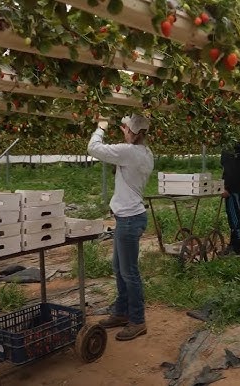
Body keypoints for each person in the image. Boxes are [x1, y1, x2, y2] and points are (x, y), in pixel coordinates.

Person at [87, 114, 154, 341]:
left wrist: (101, 128)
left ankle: (137, 320)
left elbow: (93, 148)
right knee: (119, 268)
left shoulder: (128, 152)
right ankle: (122, 312)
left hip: (129, 219)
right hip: (129, 217)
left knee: (129, 272)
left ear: (132, 132)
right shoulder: (145, 153)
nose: (122, 131)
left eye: (125, 128)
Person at [221, 142, 240, 256]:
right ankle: (234, 246)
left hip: (233, 192)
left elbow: (230, 172)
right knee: (236, 218)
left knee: (235, 221)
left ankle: (236, 249)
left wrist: (226, 188)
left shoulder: (230, 151)